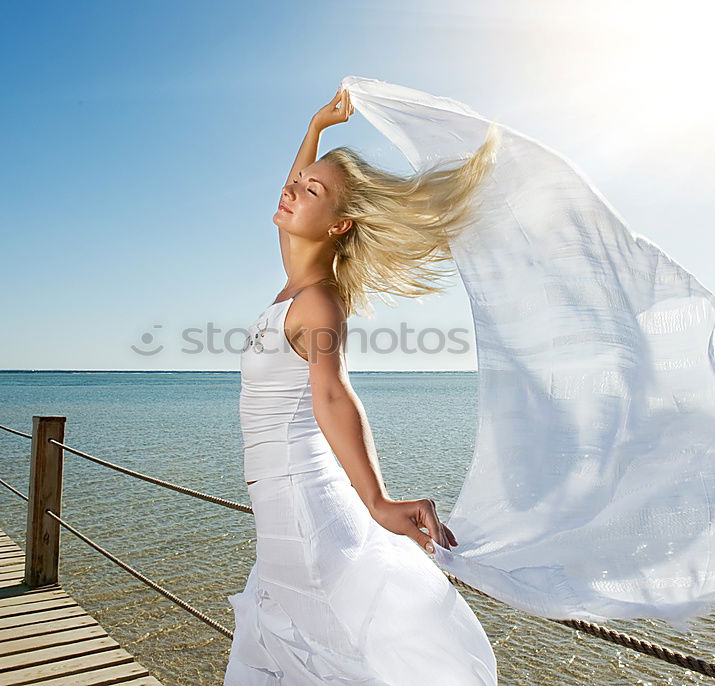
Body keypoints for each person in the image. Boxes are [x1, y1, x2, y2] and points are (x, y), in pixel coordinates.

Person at [224, 86, 501, 685]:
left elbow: (333, 395)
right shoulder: (296, 281)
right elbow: (297, 186)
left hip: (302, 504)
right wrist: (315, 125)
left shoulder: (317, 302)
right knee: (297, 649)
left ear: (339, 224)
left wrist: (377, 499)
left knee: (330, 653)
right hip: (280, 508)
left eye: (310, 191)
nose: (291, 190)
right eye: (296, 184)